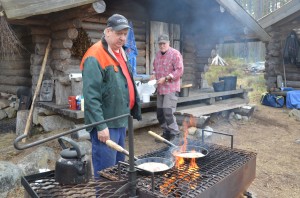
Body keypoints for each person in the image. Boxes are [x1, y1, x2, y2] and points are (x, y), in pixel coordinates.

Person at [80, 14, 142, 177]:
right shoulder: (95, 56)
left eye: (124, 34)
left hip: (120, 120)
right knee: (105, 172)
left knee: (119, 168)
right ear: (108, 31)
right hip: (106, 125)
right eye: (118, 33)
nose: (122, 38)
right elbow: (91, 96)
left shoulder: (121, 52)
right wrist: (100, 126)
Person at [150, 33, 184, 141]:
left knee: (168, 111)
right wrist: (153, 74)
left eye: (164, 43)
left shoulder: (175, 54)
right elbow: (155, 67)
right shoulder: (158, 55)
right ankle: (166, 133)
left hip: (171, 88)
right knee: (160, 113)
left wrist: (166, 78)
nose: (162, 46)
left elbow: (179, 70)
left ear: (168, 43)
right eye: (160, 44)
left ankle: (175, 133)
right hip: (160, 88)